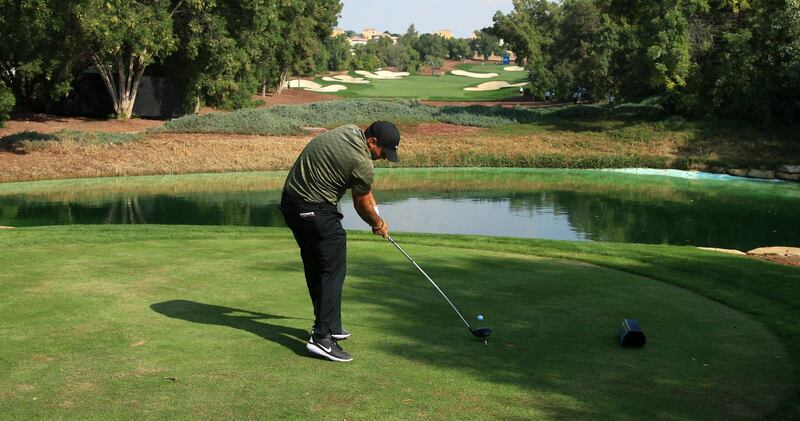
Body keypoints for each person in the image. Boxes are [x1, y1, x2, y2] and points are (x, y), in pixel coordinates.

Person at [280, 121, 400, 362]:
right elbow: (361, 203)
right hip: (315, 209)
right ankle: (322, 338)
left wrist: (376, 212)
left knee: (316, 265)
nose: (385, 158)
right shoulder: (363, 161)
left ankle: (330, 324)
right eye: (383, 152)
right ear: (372, 142)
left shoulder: (349, 130)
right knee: (333, 268)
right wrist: (377, 224)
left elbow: (363, 190)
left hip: (291, 205)